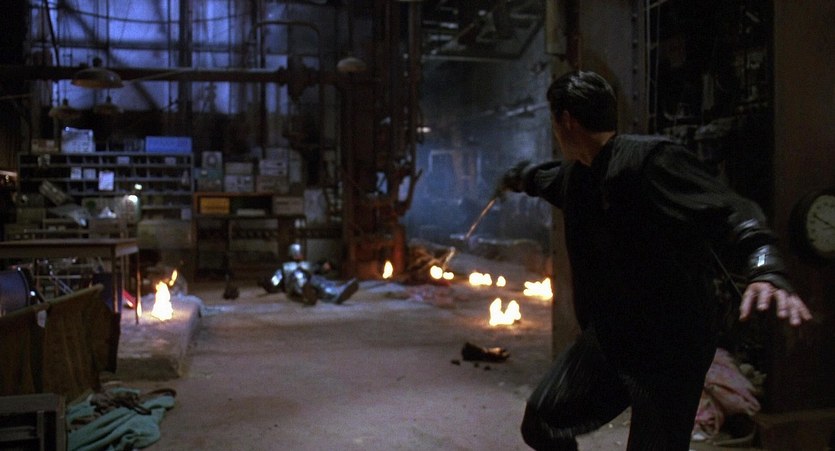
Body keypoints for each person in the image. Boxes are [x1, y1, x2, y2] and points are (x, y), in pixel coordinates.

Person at [496, 70, 813, 450]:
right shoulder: (575, 177)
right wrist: (515, 178)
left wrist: (765, 267)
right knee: (542, 420)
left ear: (566, 121)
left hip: (671, 346)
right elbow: (540, 178)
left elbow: (732, 210)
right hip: (613, 337)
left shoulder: (652, 162)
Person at [257, 243, 358, 306]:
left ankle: (336, 294)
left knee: (320, 282)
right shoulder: (285, 267)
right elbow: (274, 282)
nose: (300, 254)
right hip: (295, 286)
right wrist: (266, 283)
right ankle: (307, 293)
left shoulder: (307, 264)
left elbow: (318, 270)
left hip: (311, 283)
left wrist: (326, 267)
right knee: (299, 277)